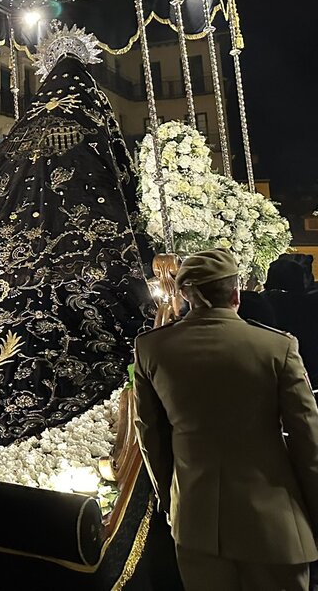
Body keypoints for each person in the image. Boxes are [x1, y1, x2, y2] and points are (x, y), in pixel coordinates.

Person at [134, 249, 318, 591]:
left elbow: (151, 437)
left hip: (195, 524)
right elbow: (308, 441)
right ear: (235, 293)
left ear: (186, 295)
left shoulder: (151, 349)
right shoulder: (276, 347)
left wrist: (170, 502)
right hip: (275, 524)